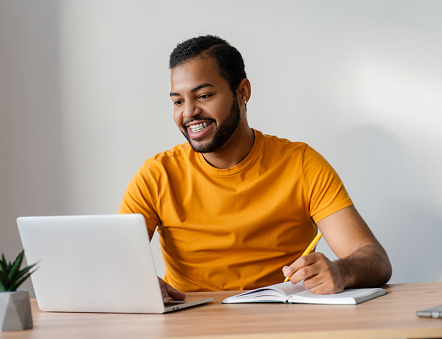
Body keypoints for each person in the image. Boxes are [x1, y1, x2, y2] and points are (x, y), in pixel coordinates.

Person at [119, 35, 392, 302]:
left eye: (203, 95)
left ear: (242, 92)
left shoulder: (301, 164)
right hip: (191, 325)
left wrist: (341, 271)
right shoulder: (157, 175)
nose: (188, 112)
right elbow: (114, 264)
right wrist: (136, 284)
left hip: (282, 320)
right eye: (178, 101)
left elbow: (375, 259)